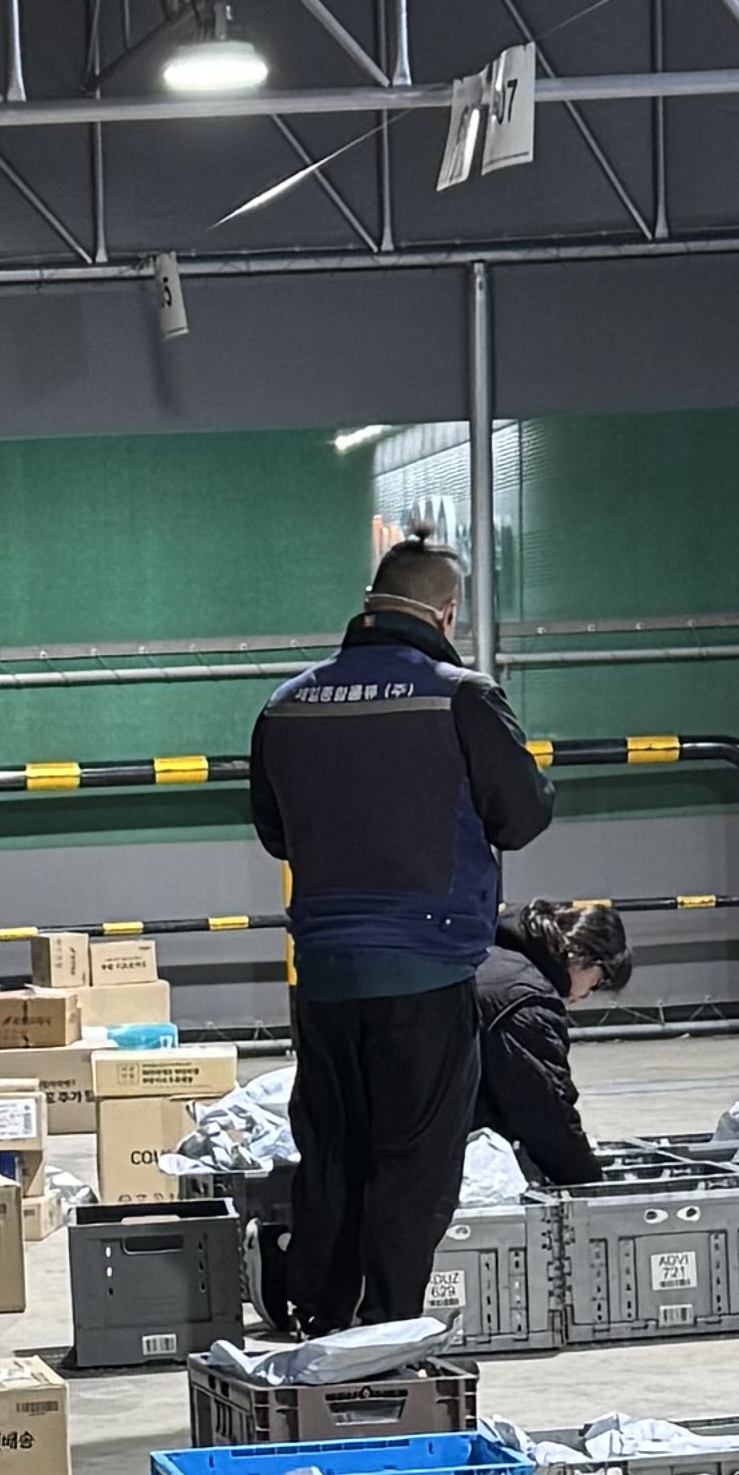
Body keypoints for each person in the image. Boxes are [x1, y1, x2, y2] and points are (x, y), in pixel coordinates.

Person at [248, 529, 556, 1328]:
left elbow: (275, 833)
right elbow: (520, 817)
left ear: (368, 605)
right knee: (413, 1161)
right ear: (445, 613)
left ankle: (317, 1318)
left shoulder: (286, 703)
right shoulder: (460, 696)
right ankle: (386, 1331)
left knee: (331, 1150)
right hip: (425, 968)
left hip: (323, 973)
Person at [474, 895, 635, 1185]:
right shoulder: (526, 1000)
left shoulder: (492, 951)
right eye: (597, 983)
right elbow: (543, 1111)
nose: (585, 996)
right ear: (580, 956)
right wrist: (587, 1180)